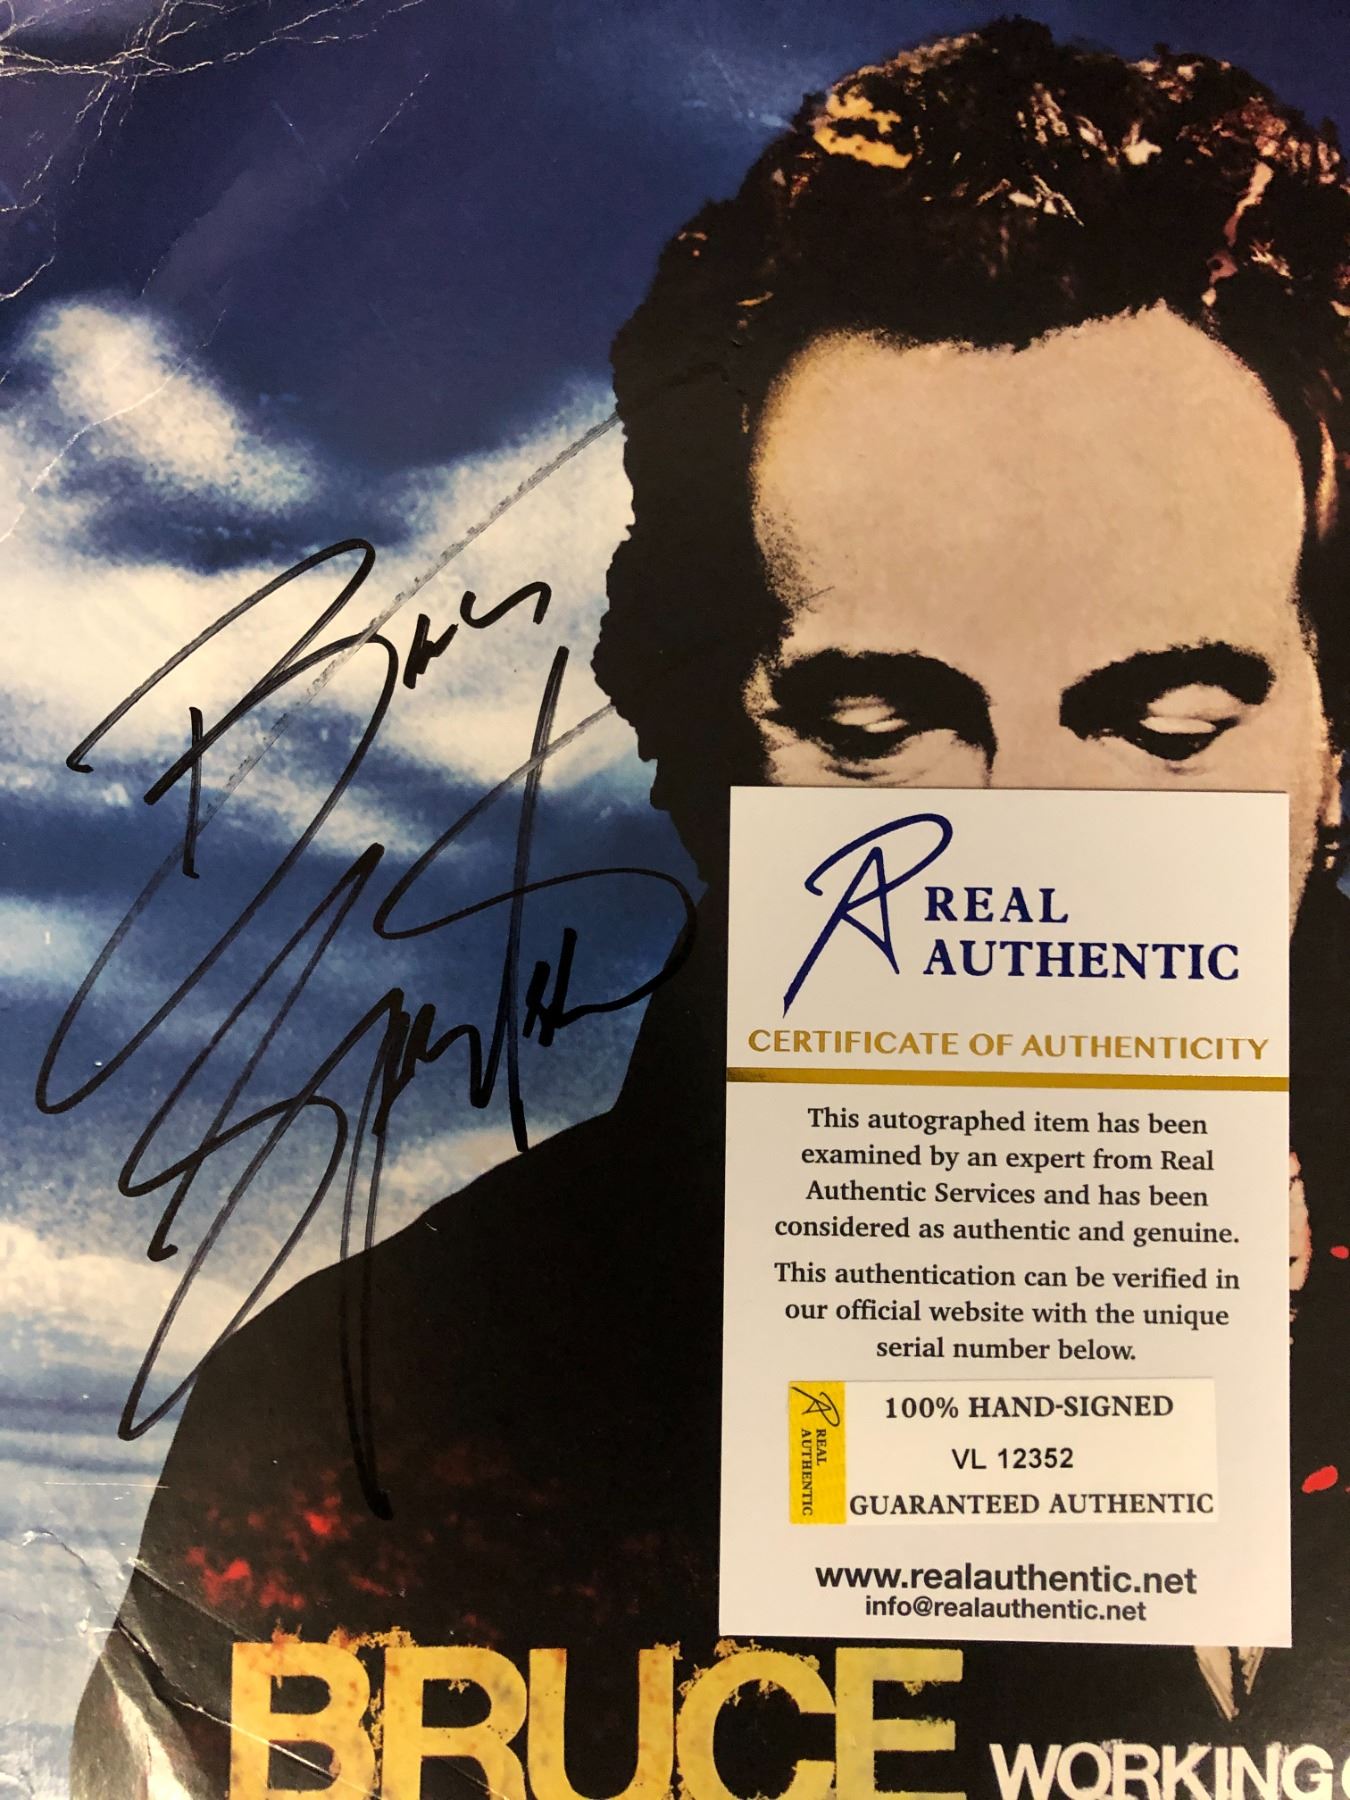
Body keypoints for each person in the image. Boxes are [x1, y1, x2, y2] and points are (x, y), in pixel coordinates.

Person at [73, 19, 1350, 1797]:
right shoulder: (379, 1426)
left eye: (1168, 724)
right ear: (708, 738)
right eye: (882, 730)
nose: (1025, 848)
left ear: (1334, 739)